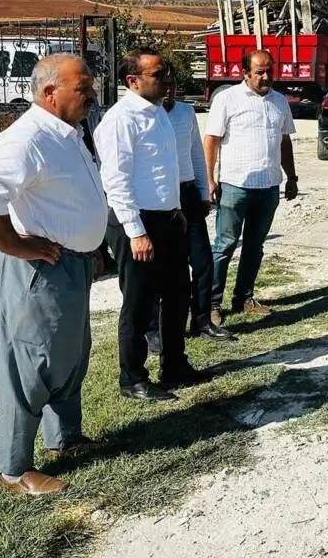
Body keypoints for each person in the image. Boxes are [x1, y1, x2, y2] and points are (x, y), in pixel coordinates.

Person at [0, 54, 108, 496]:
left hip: (71, 264)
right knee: (32, 364)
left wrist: (90, 244)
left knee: (69, 353)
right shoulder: (26, 138)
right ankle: (14, 469)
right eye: (83, 88)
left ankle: (64, 437)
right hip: (38, 269)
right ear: (50, 93)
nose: (92, 95)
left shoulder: (68, 133)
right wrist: (19, 246)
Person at [95, 48, 200, 401]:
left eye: (167, 71)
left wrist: (176, 209)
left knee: (177, 295)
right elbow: (116, 180)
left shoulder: (159, 114)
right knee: (139, 304)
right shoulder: (121, 120)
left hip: (168, 218)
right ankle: (133, 379)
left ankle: (174, 364)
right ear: (133, 81)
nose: (167, 78)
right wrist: (136, 231)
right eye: (158, 74)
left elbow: (164, 170)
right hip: (136, 222)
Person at [204, 49, 298, 326]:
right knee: (225, 245)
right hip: (235, 186)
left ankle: (244, 297)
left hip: (268, 187)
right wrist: (209, 180)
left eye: (270, 70)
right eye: (260, 72)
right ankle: (211, 303)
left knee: (255, 246)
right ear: (245, 72)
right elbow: (211, 141)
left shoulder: (279, 101)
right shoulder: (227, 99)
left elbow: (285, 142)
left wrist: (291, 177)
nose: (266, 76)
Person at [163, 69, 232, 340]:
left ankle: (202, 320)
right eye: (163, 83)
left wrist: (204, 192)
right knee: (166, 268)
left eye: (172, 84)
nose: (168, 90)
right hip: (160, 200)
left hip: (188, 193)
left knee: (202, 262)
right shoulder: (142, 114)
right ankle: (158, 329)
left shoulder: (184, 112)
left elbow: (195, 152)